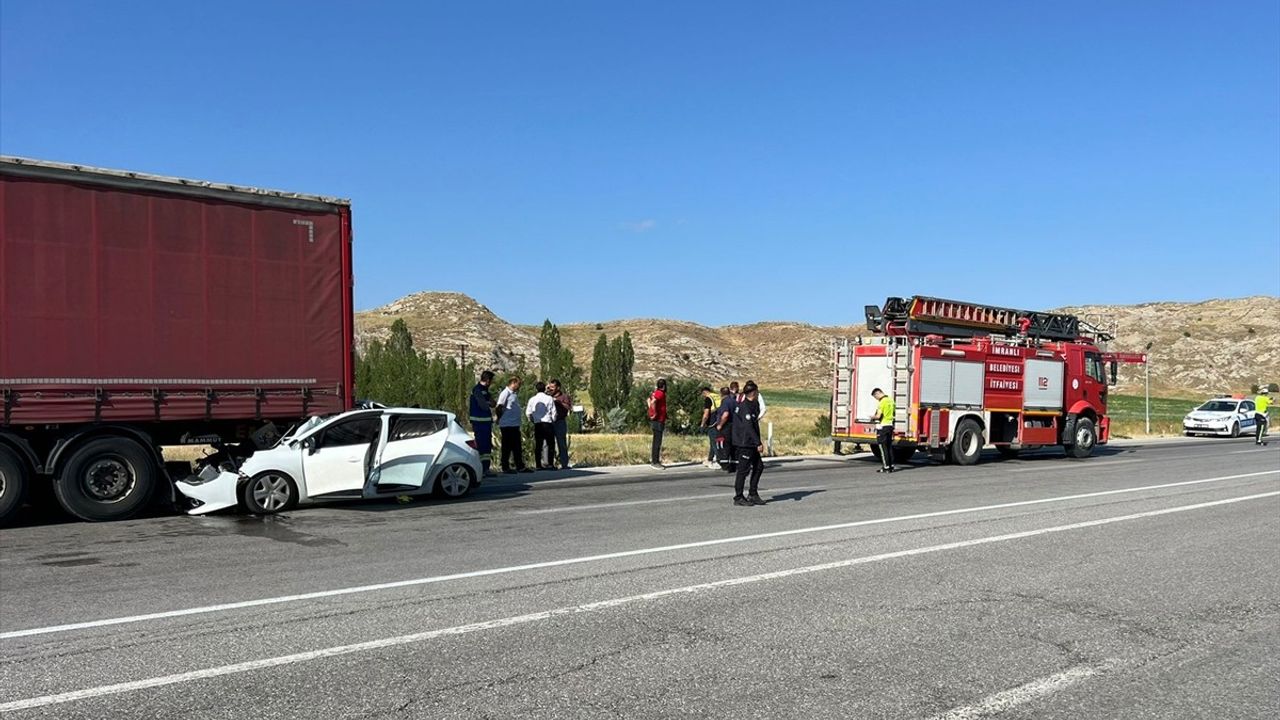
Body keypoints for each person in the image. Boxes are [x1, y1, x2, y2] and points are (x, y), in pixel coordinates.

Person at [731, 381, 766, 506]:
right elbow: (748, 426)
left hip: (751, 442)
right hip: (745, 442)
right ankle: (738, 496)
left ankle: (753, 493)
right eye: (757, 392)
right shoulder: (745, 406)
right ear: (753, 392)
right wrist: (758, 443)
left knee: (759, 467)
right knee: (743, 470)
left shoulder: (753, 404)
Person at [496, 377, 530, 473]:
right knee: (507, 447)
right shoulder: (505, 393)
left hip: (514, 424)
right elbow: (499, 406)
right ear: (513, 383)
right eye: (518, 384)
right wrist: (499, 418)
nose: (519, 387)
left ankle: (520, 465)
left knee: (516, 446)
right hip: (507, 424)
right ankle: (505, 466)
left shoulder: (513, 394)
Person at [468, 370, 497, 477]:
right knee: (480, 445)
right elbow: (483, 405)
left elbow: (493, 403)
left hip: (486, 422)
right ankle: (480, 469)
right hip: (479, 422)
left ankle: (486, 468)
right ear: (488, 380)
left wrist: (489, 402)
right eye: (491, 381)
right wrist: (489, 402)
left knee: (487, 445)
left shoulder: (485, 390)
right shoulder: (477, 390)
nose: (492, 383)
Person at [526, 381, 558, 470]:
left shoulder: (532, 399)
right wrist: (553, 420)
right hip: (547, 423)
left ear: (536, 389)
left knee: (538, 445)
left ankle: (538, 465)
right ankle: (550, 463)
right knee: (550, 444)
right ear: (544, 389)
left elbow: (528, 413)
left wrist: (533, 420)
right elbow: (554, 412)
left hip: (538, 424)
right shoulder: (549, 398)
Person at [547, 379, 573, 469]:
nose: (551, 389)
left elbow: (568, 407)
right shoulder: (547, 397)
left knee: (561, 443)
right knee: (548, 444)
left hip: (560, 422)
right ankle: (549, 464)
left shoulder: (564, 397)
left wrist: (558, 402)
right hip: (549, 422)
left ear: (558, 387)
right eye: (549, 387)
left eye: (553, 387)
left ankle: (564, 464)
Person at [870, 387, 896, 473]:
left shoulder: (882, 402)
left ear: (877, 393)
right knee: (889, 447)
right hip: (890, 425)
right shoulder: (891, 400)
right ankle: (891, 465)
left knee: (882, 447)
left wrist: (872, 417)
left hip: (883, 426)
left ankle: (886, 467)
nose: (876, 399)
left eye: (875, 397)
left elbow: (878, 416)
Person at [713, 387, 737, 472]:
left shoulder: (725, 402)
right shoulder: (734, 401)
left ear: (721, 394)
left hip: (726, 427)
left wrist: (720, 425)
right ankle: (734, 464)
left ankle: (725, 464)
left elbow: (725, 414)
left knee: (723, 445)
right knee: (733, 446)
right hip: (734, 427)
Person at [646, 378, 668, 468]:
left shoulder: (655, 392)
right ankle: (655, 462)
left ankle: (654, 461)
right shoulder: (660, 393)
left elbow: (648, 400)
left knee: (656, 441)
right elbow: (653, 401)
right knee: (657, 442)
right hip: (658, 420)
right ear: (664, 386)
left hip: (656, 420)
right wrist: (654, 412)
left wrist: (651, 410)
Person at [699, 385, 717, 466]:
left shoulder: (708, 398)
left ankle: (719, 460)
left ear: (704, 392)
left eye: (702, 394)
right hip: (722, 421)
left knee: (714, 442)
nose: (703, 396)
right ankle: (710, 459)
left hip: (712, 422)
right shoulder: (717, 396)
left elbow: (706, 414)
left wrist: (702, 424)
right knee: (715, 442)